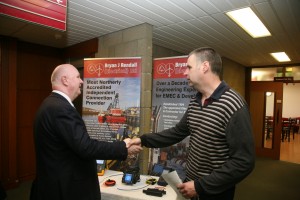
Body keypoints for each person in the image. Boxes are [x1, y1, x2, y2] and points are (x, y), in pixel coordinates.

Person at [132, 47, 255, 200]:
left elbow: (244, 161)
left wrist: (201, 186)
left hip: (215, 191)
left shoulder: (233, 104)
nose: (184, 72)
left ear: (205, 67)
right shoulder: (195, 102)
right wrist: (142, 140)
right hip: (190, 185)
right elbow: (177, 132)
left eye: (188, 67)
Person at [31, 64, 142, 200]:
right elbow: (85, 147)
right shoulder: (61, 109)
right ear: (65, 80)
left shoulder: (49, 104)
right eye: (78, 77)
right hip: (66, 190)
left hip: (53, 184)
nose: (82, 81)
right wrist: (123, 147)